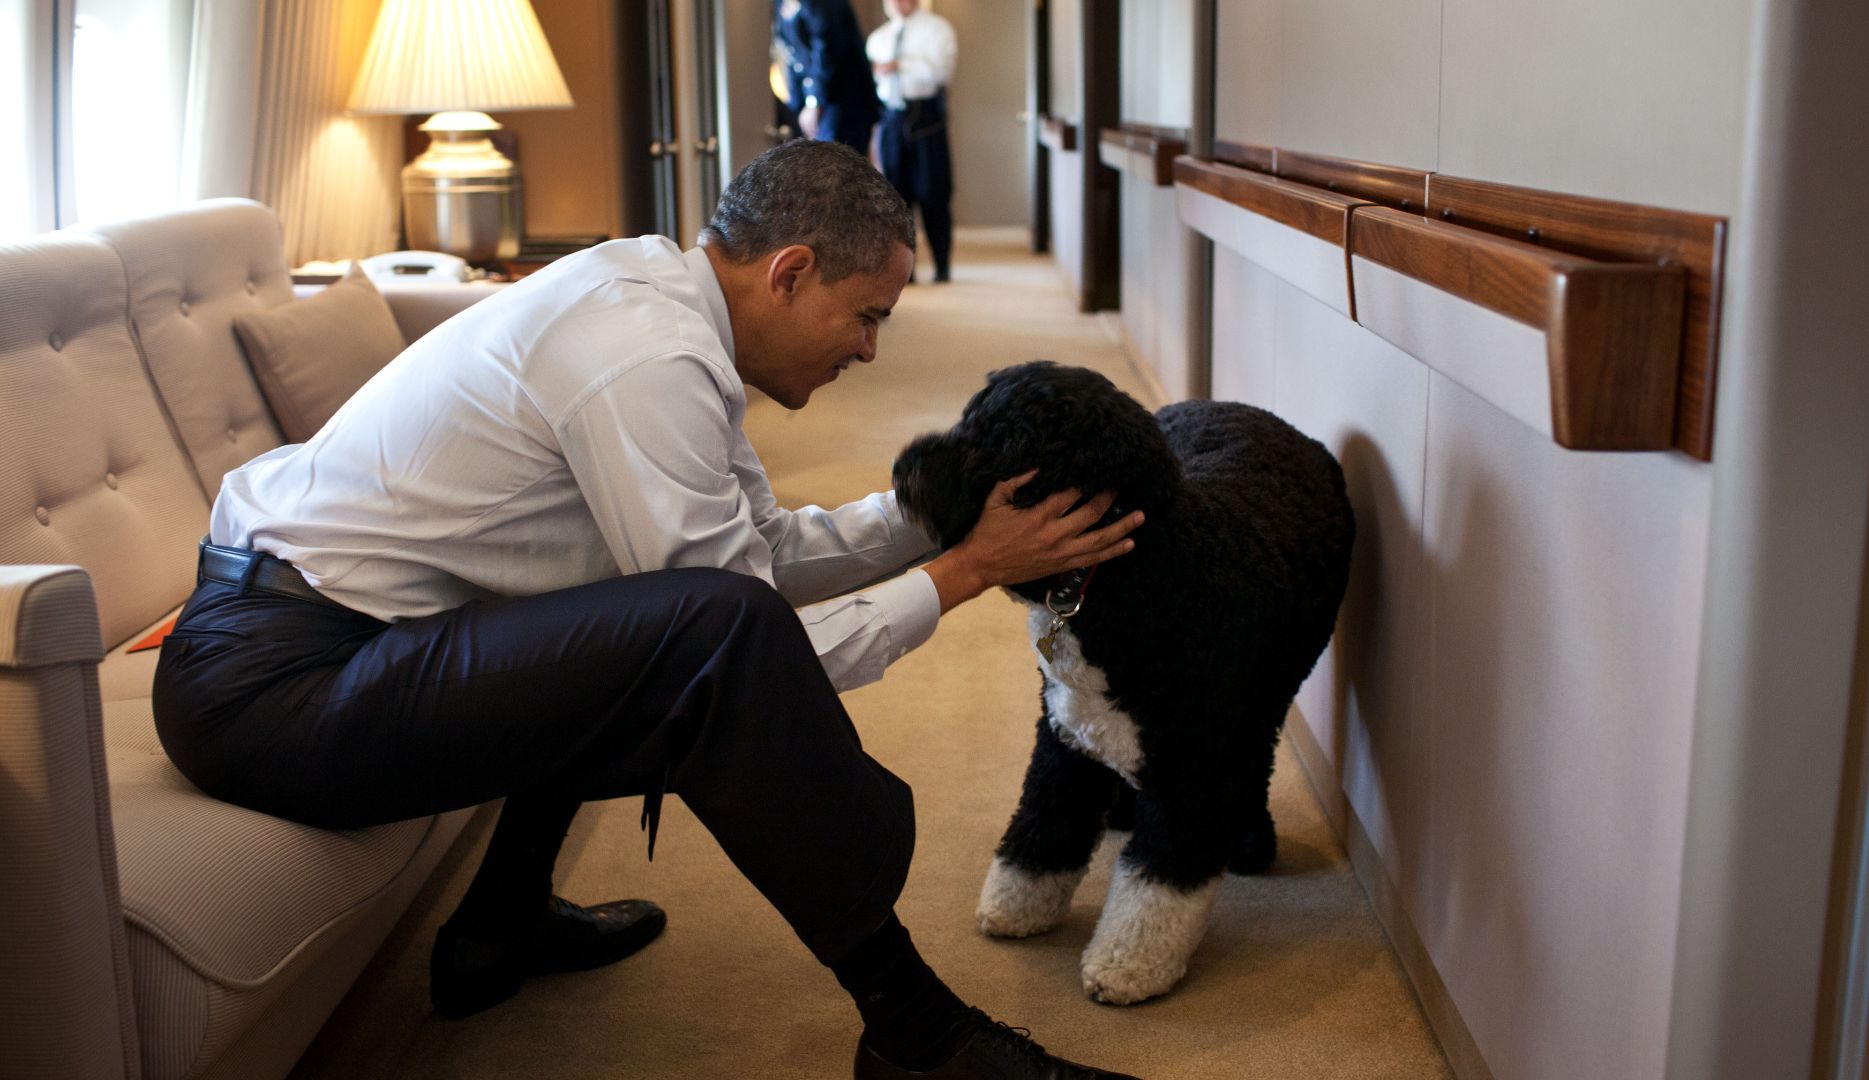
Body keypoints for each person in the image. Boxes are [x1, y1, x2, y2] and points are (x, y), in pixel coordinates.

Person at [150, 140, 1144, 1080]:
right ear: (790, 273)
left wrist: (939, 516)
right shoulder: (648, 353)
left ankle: (502, 921)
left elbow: (764, 556)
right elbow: (739, 642)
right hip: (275, 693)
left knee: (634, 611)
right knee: (697, 637)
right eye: (867, 315)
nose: (873, 351)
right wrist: (970, 570)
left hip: (318, 643)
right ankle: (919, 1033)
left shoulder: (670, 316)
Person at [867, 0, 957, 283]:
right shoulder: (878, 39)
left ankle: (942, 265)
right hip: (891, 118)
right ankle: (905, 270)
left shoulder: (937, 29)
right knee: (896, 198)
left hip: (926, 119)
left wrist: (899, 65)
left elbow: (940, 72)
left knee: (934, 193)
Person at [776, 0, 881, 152]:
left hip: (844, 100)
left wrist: (814, 102)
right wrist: (797, 107)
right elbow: (792, 55)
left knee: (836, 164)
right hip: (815, 102)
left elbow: (828, 50)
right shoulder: (779, 4)